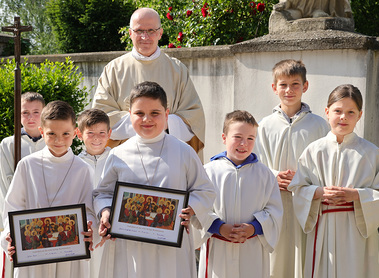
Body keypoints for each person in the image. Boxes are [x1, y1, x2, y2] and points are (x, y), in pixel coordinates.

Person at [93, 81, 215, 278]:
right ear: (129, 115)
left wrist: (190, 208)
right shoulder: (118, 154)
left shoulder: (184, 151)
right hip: (130, 246)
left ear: (166, 115)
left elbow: (205, 190)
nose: (146, 119)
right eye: (139, 113)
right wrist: (106, 212)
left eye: (155, 113)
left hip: (171, 247)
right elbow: (103, 193)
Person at [288, 84, 379, 278]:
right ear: (327, 112)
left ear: (360, 115)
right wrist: (319, 192)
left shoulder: (372, 153)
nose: (343, 117)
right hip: (323, 228)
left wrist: (356, 195)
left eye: (350, 112)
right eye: (337, 111)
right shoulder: (314, 151)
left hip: (357, 230)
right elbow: (297, 189)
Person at [1, 100, 95, 278]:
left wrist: (90, 229)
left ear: (75, 133)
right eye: (52, 133)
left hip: (70, 254)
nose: (59, 140)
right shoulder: (27, 165)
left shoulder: (83, 169)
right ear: (42, 132)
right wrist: (10, 235)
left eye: (65, 133)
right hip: (34, 251)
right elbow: (12, 206)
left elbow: (89, 210)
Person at [92, 7, 205, 154]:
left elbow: (194, 119)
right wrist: (144, 121)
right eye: (139, 31)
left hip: (168, 155)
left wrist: (163, 122)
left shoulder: (178, 70)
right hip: (125, 159)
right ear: (130, 33)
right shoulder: (113, 69)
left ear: (160, 33)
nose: (145, 37)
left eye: (151, 31)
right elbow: (100, 117)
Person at [254, 59, 329, 278]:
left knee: (305, 259)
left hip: (306, 205)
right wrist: (275, 176)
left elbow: (326, 163)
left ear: (305, 86)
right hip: (273, 202)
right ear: (274, 88)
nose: (289, 90)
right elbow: (256, 162)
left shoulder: (319, 125)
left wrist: (303, 180)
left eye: (295, 84)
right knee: (274, 261)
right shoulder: (265, 126)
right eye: (283, 84)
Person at [198, 110, 283, 278]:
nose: (244, 143)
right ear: (224, 138)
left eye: (250, 138)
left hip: (251, 249)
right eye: (238, 137)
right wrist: (219, 227)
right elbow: (198, 208)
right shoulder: (207, 172)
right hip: (217, 247)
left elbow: (274, 212)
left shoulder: (265, 175)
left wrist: (254, 228)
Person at [0, 92, 46, 278]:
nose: (31, 117)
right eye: (25, 112)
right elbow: (5, 183)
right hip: (17, 213)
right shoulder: (8, 144)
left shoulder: (53, 142)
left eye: (36, 112)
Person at [76, 108, 112, 278]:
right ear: (79, 134)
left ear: (109, 133)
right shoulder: (74, 163)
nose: (96, 138)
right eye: (90, 133)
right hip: (84, 230)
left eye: (101, 132)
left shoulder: (118, 160)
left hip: (111, 230)